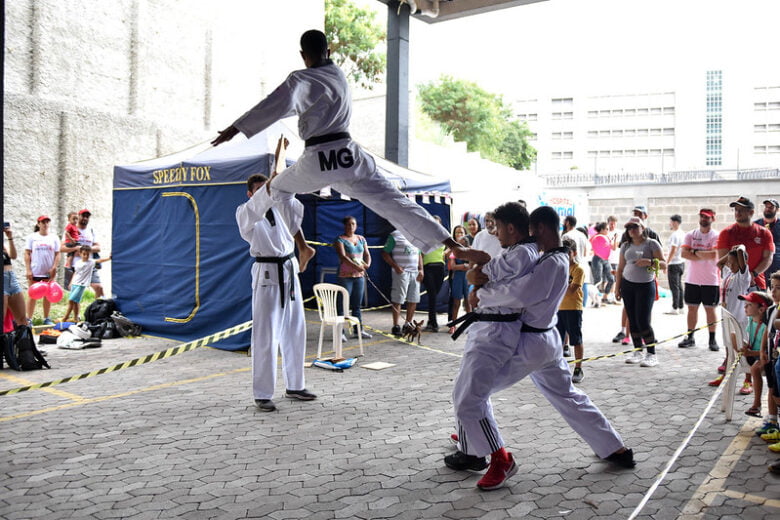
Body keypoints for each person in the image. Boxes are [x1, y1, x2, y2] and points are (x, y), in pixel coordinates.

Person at [211, 29, 467, 260]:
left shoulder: (299, 80)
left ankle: (302, 247)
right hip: (349, 155)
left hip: (317, 158)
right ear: (329, 51)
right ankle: (452, 243)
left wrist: (237, 128)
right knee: (392, 200)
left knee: (277, 189)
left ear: (303, 55)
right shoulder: (340, 77)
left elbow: (271, 106)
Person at [445, 204, 634, 491]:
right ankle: (613, 447)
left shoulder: (553, 263)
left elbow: (521, 294)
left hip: (532, 344)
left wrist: (481, 291)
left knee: (472, 396)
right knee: (567, 396)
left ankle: (491, 452)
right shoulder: (552, 259)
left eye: (532, 232)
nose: (529, 239)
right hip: (544, 341)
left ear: (541, 229)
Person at [236, 173, 317, 412]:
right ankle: (262, 393)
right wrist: (267, 191)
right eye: (261, 190)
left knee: (295, 328)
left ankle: (295, 385)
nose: (267, 193)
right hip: (267, 271)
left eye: (267, 188)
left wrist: (282, 187)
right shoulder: (245, 211)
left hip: (289, 268)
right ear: (251, 194)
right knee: (266, 334)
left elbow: (293, 213)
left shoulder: (280, 208)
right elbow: (254, 210)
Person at [615, 216, 666, 367]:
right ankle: (637, 350)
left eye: (635, 227)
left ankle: (651, 353)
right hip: (628, 285)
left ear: (642, 228)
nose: (631, 230)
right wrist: (617, 287)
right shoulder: (625, 245)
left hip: (645, 285)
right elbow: (620, 268)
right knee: (632, 319)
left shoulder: (651, 243)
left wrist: (649, 262)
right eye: (629, 228)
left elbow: (663, 264)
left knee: (643, 319)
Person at [678, 209, 721, 351]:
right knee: (692, 309)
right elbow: (684, 253)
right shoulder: (691, 234)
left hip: (711, 280)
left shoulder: (716, 235)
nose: (704, 219)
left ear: (712, 219)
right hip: (692, 279)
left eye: (707, 217)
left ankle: (712, 339)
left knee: (710, 310)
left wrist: (694, 252)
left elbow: (713, 255)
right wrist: (703, 254)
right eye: (702, 216)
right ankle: (690, 337)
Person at [710, 246, 752, 387]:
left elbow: (740, 256)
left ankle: (748, 381)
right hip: (726, 319)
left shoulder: (743, 277)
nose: (731, 265)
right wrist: (729, 255)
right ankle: (726, 377)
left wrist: (740, 248)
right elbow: (719, 264)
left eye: (734, 263)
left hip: (739, 320)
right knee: (729, 348)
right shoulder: (729, 274)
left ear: (742, 263)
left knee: (743, 350)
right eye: (730, 262)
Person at [716, 196, 774, 291]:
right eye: (736, 210)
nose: (737, 213)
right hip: (734, 284)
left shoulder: (764, 233)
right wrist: (742, 276)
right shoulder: (726, 233)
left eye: (741, 210)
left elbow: (768, 258)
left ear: (751, 212)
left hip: (756, 282)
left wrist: (753, 274)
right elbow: (723, 260)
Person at [334, 215, 372, 340]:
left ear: (356, 226)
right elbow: (343, 257)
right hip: (345, 276)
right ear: (344, 226)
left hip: (359, 276)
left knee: (357, 305)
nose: (351, 226)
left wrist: (367, 265)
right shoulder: (340, 239)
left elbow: (367, 254)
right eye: (348, 224)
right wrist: (356, 267)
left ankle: (358, 330)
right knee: (342, 304)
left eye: (353, 224)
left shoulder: (361, 238)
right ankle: (340, 332)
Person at [381, 229, 423, 337]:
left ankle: (407, 324)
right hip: (401, 272)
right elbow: (385, 253)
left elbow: (419, 254)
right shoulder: (394, 235)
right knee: (398, 299)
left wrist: (421, 269)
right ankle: (396, 326)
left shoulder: (416, 234)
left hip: (415, 272)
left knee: (413, 299)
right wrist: (396, 266)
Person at [556, 237, 586, 383]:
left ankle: (578, 367)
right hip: (558, 308)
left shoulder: (578, 270)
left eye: (566, 254)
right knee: (558, 340)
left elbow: (572, 289)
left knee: (576, 339)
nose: (563, 257)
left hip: (573, 309)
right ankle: (560, 368)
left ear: (573, 253)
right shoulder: (558, 268)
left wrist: (557, 286)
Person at [757, 272, 780, 452]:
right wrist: (762, 350)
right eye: (772, 287)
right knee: (772, 390)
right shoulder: (772, 309)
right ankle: (773, 422)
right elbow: (767, 331)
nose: (774, 291)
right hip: (772, 357)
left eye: (779, 288)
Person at [739, 291, 772, 415]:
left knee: (755, 369)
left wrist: (750, 353)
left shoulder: (766, 325)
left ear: (761, 309)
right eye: (745, 304)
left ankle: (757, 404)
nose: (745, 307)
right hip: (754, 353)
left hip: (765, 355)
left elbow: (768, 350)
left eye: (749, 305)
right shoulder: (751, 320)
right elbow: (751, 339)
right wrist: (746, 346)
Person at [24, 216, 61, 325]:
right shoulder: (32, 237)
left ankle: (47, 318)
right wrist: (28, 269)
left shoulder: (54, 237)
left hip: (48, 272)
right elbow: (27, 253)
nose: (45, 224)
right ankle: (29, 319)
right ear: (38, 224)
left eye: (47, 222)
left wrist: (54, 267)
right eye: (43, 222)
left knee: (48, 295)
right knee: (32, 295)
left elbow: (57, 253)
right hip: (35, 271)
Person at [60, 209, 104, 298]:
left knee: (99, 287)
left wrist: (85, 249)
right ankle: (75, 311)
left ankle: (96, 309)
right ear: (78, 216)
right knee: (73, 292)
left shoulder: (91, 231)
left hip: (89, 264)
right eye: (83, 216)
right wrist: (76, 248)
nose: (85, 218)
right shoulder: (71, 230)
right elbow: (61, 248)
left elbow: (98, 248)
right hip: (73, 265)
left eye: (87, 216)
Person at [62, 246, 111, 323]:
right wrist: (71, 282)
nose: (86, 256)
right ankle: (76, 317)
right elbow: (75, 272)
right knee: (75, 302)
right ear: (80, 253)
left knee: (71, 300)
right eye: (84, 254)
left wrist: (109, 258)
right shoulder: (78, 263)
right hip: (75, 283)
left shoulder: (91, 262)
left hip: (81, 285)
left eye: (88, 254)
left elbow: (100, 260)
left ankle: (65, 318)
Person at [422, 216, 446, 333]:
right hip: (427, 268)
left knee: (434, 295)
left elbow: (450, 248)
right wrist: (420, 269)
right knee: (432, 294)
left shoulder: (444, 236)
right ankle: (434, 322)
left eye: (437, 223)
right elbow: (420, 254)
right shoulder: (424, 236)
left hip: (440, 268)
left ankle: (431, 321)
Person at [3, 223, 28, 327]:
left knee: (22, 319)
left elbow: (13, 256)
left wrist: (10, 238)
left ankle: (22, 343)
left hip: (11, 279)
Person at [447, 227, 471, 334]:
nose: (461, 244)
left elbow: (472, 264)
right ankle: (453, 325)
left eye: (463, 242)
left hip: (468, 277)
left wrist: (462, 266)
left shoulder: (471, 250)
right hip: (457, 278)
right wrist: (464, 266)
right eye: (459, 242)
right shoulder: (454, 252)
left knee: (468, 302)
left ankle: (469, 324)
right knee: (456, 302)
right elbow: (452, 266)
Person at [590, 222, 614, 306]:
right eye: (606, 229)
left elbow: (613, 248)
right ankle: (595, 300)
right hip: (597, 259)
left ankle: (605, 297)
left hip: (606, 260)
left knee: (611, 279)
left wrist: (613, 240)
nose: (608, 230)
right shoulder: (596, 237)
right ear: (602, 230)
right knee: (598, 280)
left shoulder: (607, 237)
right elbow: (591, 246)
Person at [665, 214, 686, 315]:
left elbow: (673, 249)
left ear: (675, 223)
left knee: (674, 287)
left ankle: (675, 307)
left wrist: (667, 262)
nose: (670, 224)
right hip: (681, 262)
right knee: (679, 286)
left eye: (671, 222)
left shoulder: (675, 235)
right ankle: (681, 306)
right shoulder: (682, 233)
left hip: (674, 263)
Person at [755, 198, 780, 280]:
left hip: (777, 266)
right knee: (760, 292)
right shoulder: (755, 225)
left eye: (771, 207)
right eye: (766, 207)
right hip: (760, 266)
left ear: (777, 210)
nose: (768, 209)